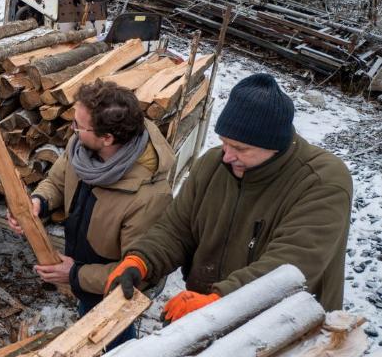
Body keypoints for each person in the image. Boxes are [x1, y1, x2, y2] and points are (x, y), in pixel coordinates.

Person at [107, 73, 353, 323]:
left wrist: (221, 300)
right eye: (225, 143)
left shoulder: (322, 181)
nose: (227, 156)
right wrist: (142, 260)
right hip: (211, 312)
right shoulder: (213, 165)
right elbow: (177, 229)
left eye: (241, 149)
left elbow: (292, 266)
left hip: (287, 325)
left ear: (275, 145)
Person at [7, 79, 174, 348]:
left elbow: (137, 275)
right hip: (84, 273)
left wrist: (75, 274)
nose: (72, 130)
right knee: (88, 316)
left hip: (109, 291)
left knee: (114, 338)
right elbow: (57, 180)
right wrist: (39, 201)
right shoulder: (82, 148)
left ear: (107, 138)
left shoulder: (149, 197)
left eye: (78, 125)